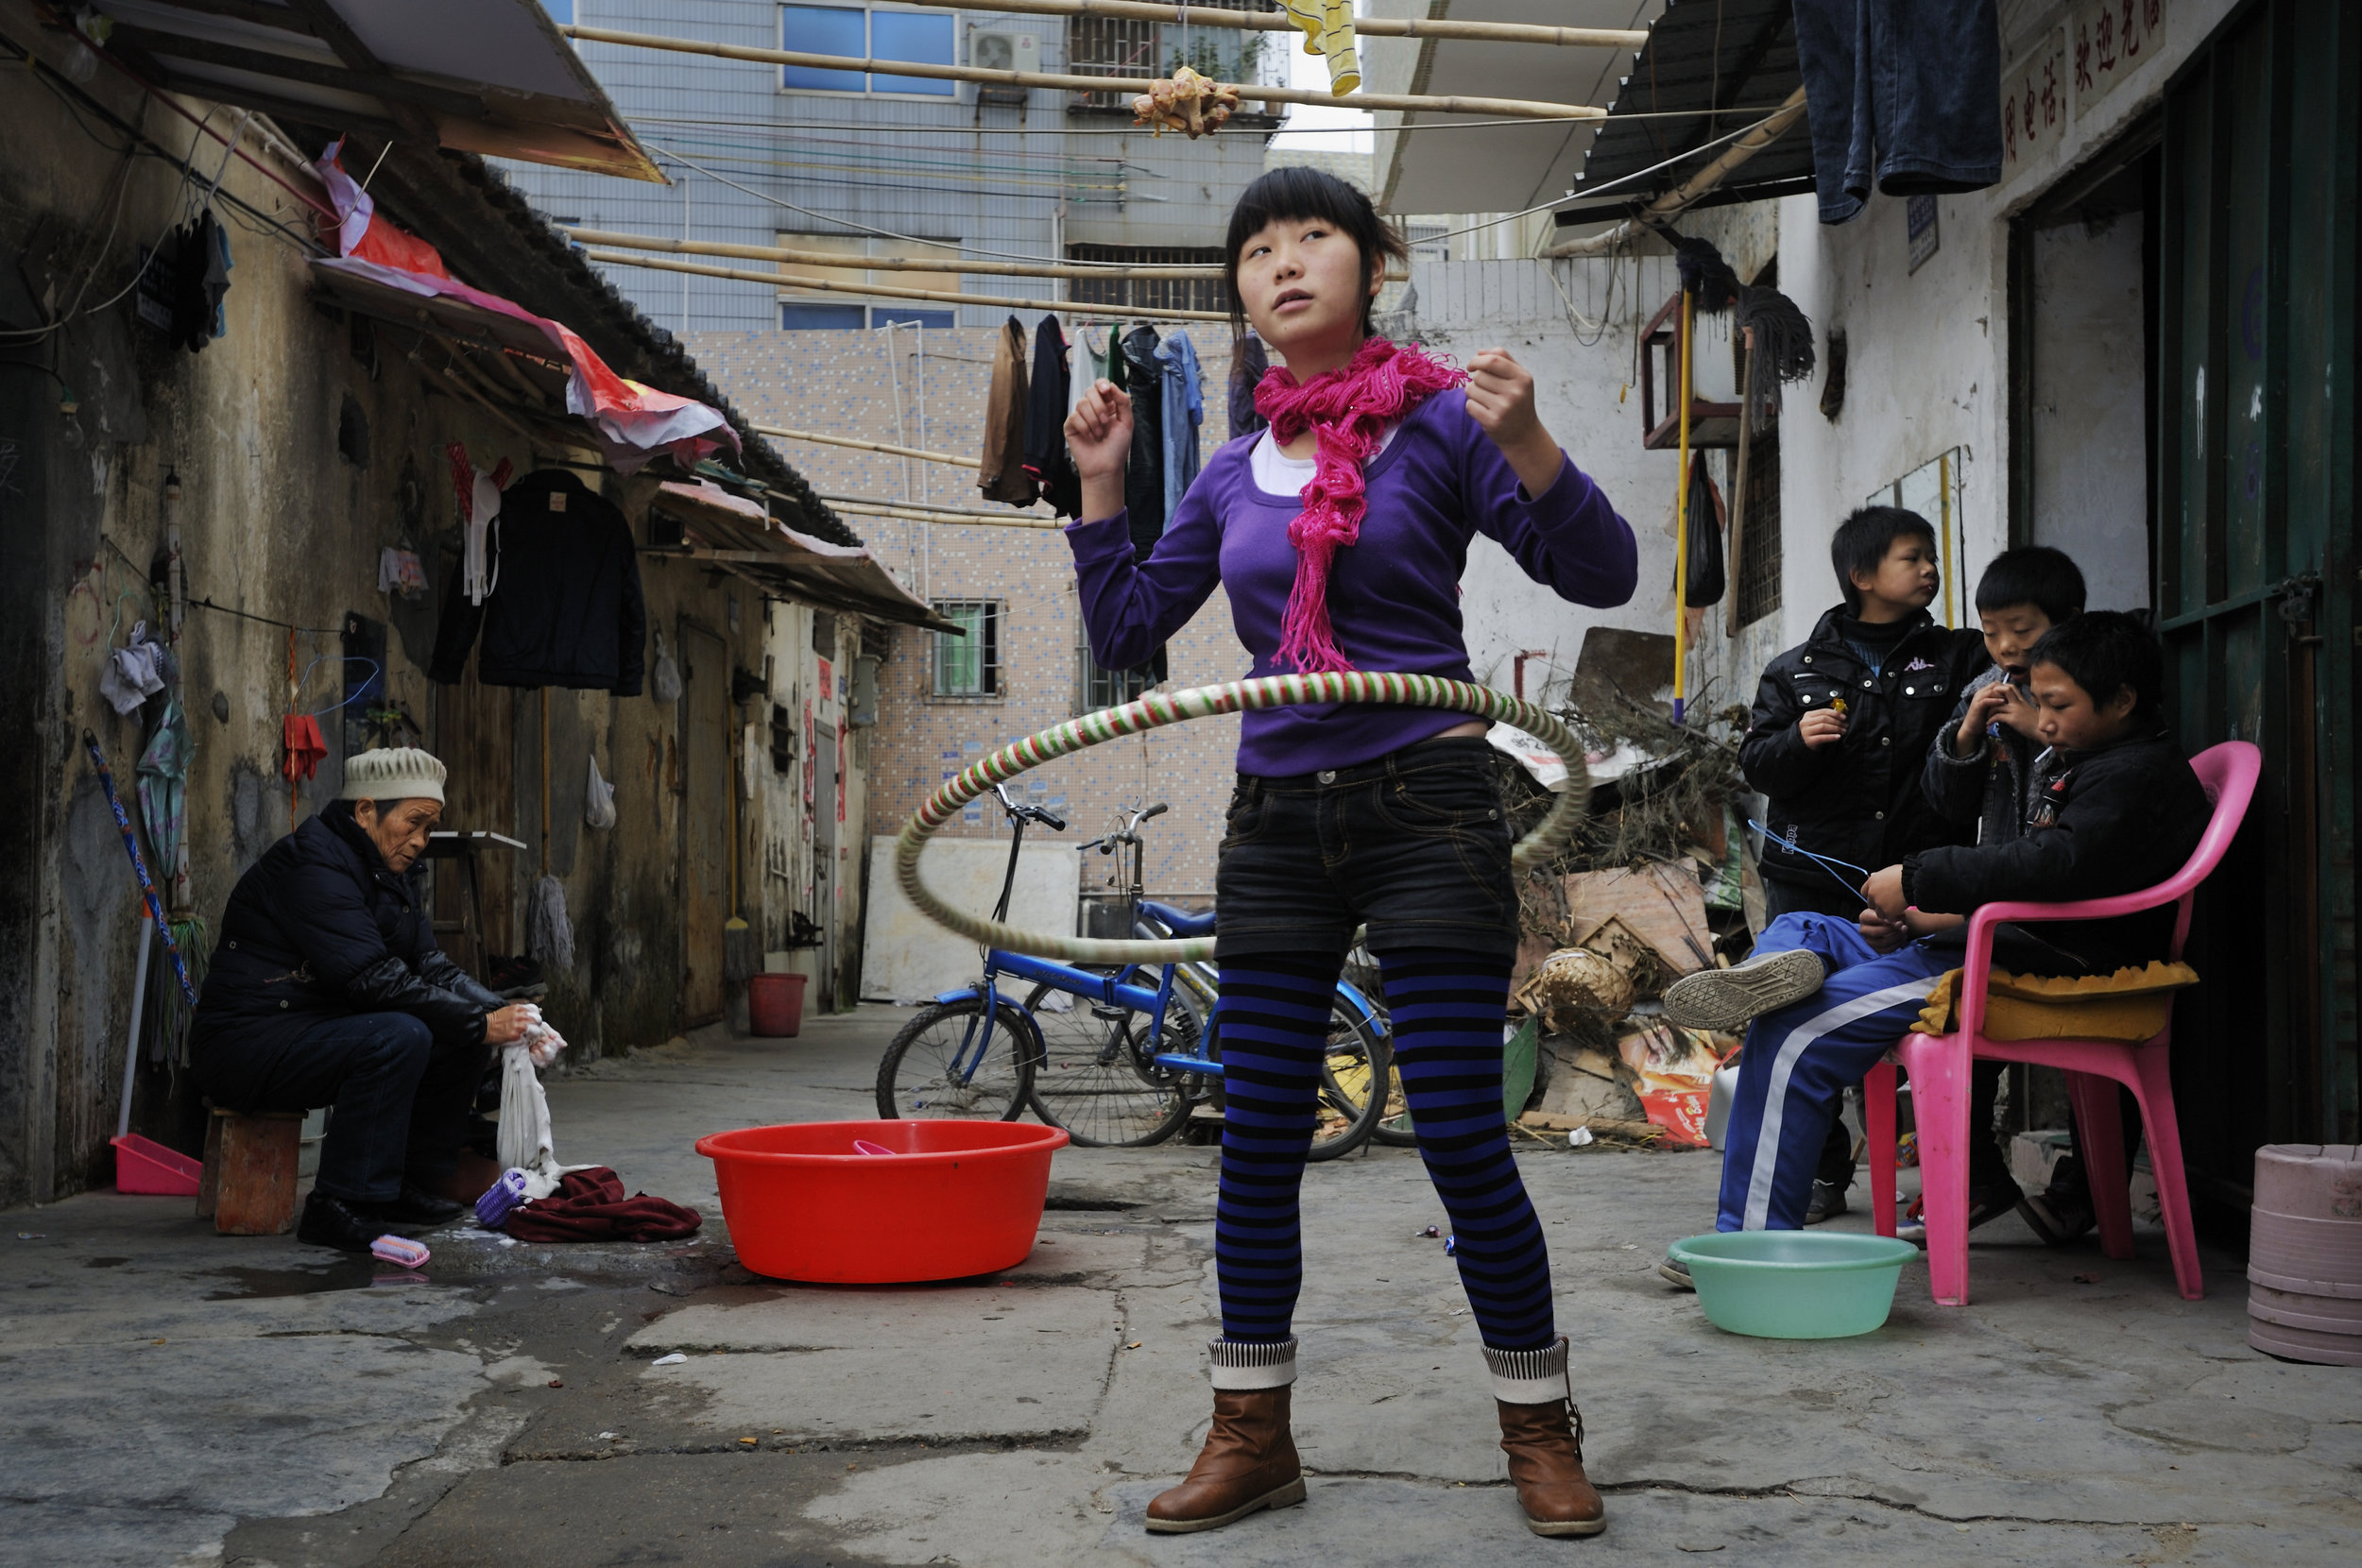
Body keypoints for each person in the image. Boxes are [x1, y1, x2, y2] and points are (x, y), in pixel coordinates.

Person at [1062, 166, 1636, 1538]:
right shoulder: (1225, 469)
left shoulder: (1443, 425)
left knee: (1456, 1133)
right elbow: (1137, 632)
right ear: (1244, 295)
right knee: (1259, 1135)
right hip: (1277, 824)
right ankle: (1250, 1432)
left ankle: (1538, 1428)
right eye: (1257, 248)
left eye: (1313, 235)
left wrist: (1539, 445)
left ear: (1373, 264)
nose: (1283, 262)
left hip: (1428, 803)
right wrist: (1096, 490)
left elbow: (1603, 577)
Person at [1665, 613, 2210, 1248]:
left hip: (2020, 965)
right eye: (2040, 703)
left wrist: (1919, 879)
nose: (2046, 722)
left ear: (2122, 700)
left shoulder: (2132, 778)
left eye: (2059, 705)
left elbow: (2049, 868)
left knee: (1796, 1033)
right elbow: (2055, 882)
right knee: (1803, 922)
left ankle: (1751, 1244)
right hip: (1987, 938)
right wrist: (1923, 918)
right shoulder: (2098, 756)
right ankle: (1775, 971)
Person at [1737, 507, 1988, 1223]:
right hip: (1813, 874)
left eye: (1931, 556)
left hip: (1916, 876)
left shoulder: (1960, 659)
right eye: (1913, 557)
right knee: (1790, 1006)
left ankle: (1972, 1169)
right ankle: (1819, 1173)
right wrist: (1798, 740)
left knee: (1876, 1021)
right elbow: (1759, 766)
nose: (1930, 570)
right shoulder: (1797, 671)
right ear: (1863, 575)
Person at [191, 747, 532, 1253]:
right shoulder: (314, 864)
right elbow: (373, 980)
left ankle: (408, 1184)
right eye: (413, 824)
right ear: (366, 811)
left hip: (310, 1027)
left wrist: (511, 1017)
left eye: (428, 828)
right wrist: (483, 1023)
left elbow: (431, 967)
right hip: (245, 1043)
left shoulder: (388, 873)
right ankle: (339, 1205)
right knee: (401, 1034)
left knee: (458, 1033)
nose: (420, 841)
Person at [1914, 545, 2087, 1236]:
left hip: (2071, 907)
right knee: (1957, 992)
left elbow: (2088, 787)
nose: (2007, 647)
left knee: (2090, 1070)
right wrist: (1964, 736)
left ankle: (2087, 1186)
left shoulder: (2089, 684)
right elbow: (1944, 805)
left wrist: (2037, 731)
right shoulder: (1985, 686)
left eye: (2022, 628)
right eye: (1992, 631)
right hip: (2002, 895)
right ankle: (1979, 1171)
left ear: (2066, 619)